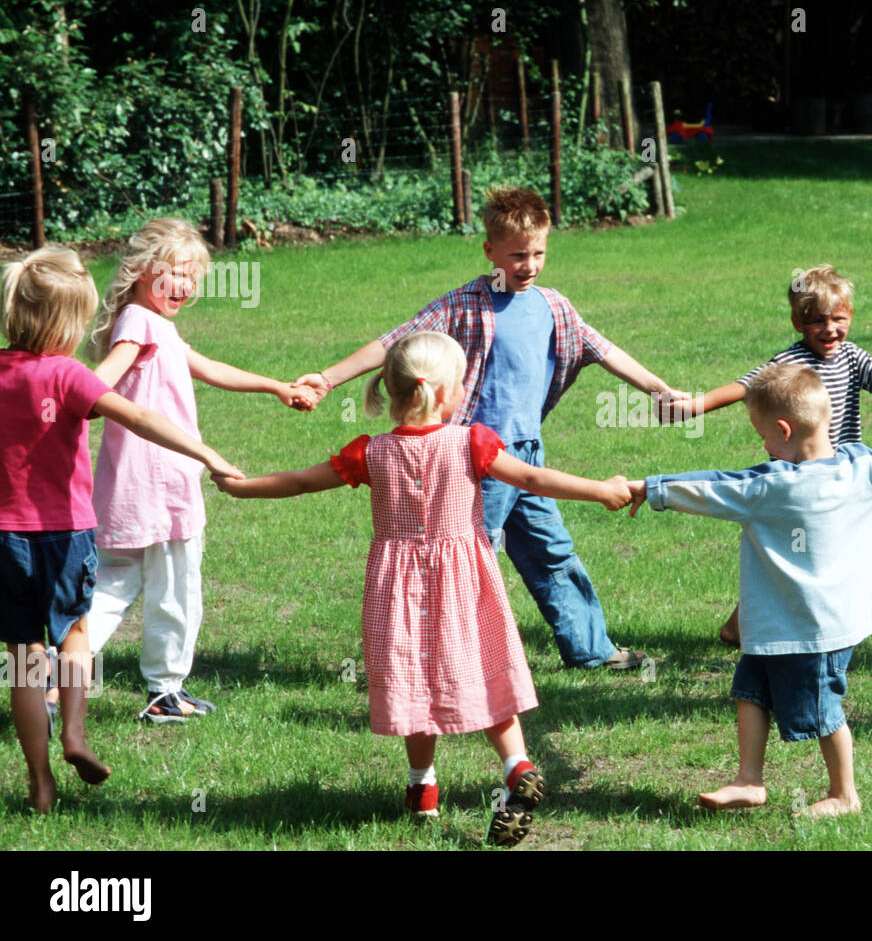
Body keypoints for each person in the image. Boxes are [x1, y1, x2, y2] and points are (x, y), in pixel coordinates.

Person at [217, 332, 632, 846]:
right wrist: (602, 490)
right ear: (444, 393)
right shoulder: (472, 442)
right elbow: (532, 478)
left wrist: (241, 486)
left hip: (398, 592)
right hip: (465, 581)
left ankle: (423, 788)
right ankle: (515, 765)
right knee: (481, 668)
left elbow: (301, 481)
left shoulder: (371, 453)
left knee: (412, 680)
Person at [291, 186, 682, 671]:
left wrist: (657, 388)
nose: (530, 264)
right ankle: (438, 658)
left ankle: (591, 651)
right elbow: (394, 342)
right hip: (473, 461)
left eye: (539, 252)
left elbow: (603, 349)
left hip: (525, 455)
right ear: (490, 251)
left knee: (552, 553)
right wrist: (327, 379)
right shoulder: (463, 306)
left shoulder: (553, 307)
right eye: (518, 255)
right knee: (469, 561)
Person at [629, 364, 872, 817]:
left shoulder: (766, 486)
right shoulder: (865, 469)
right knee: (750, 692)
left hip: (817, 633)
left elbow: (710, 487)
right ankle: (749, 780)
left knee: (824, 713)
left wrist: (652, 488)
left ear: (784, 429)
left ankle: (845, 794)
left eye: (763, 436)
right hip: (780, 626)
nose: (763, 446)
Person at [1, 247, 242, 812]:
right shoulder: (66, 375)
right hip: (63, 534)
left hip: (5, 539)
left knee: (24, 657)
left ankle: (39, 783)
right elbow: (141, 417)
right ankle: (76, 736)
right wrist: (205, 451)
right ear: (65, 323)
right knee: (75, 635)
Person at [83, 218, 305, 723]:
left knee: (116, 583)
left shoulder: (150, 322)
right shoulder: (140, 324)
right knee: (177, 589)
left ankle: (58, 676)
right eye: (175, 273)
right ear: (142, 271)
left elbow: (208, 368)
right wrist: (75, 397)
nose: (184, 286)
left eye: (192, 277)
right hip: (163, 483)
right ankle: (164, 690)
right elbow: (99, 385)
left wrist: (276, 386)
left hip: (129, 482)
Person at [666, 264, 872, 650]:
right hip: (799, 476)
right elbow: (744, 386)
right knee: (808, 549)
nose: (830, 329)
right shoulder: (788, 363)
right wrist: (696, 406)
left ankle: (742, 626)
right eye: (818, 321)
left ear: (850, 316)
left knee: (825, 547)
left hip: (841, 472)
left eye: (839, 318)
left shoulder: (851, 357)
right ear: (797, 322)